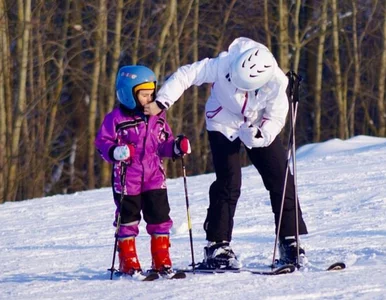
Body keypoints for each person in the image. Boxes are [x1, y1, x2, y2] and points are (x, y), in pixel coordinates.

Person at [144, 37, 308, 269]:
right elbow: (187, 74)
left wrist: (262, 135)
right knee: (229, 182)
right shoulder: (225, 63)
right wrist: (162, 101)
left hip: (257, 123)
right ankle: (217, 245)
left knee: (280, 178)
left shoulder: (278, 83)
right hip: (223, 121)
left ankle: (290, 240)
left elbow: (277, 117)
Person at [95, 65, 191, 278]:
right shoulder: (116, 119)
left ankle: (162, 261)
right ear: (128, 94)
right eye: (144, 95)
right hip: (127, 179)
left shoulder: (157, 117)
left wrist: (176, 147)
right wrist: (115, 151)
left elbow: (162, 144)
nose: (149, 99)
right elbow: (102, 142)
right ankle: (128, 262)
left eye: (151, 94)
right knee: (128, 218)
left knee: (159, 217)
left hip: (154, 177)